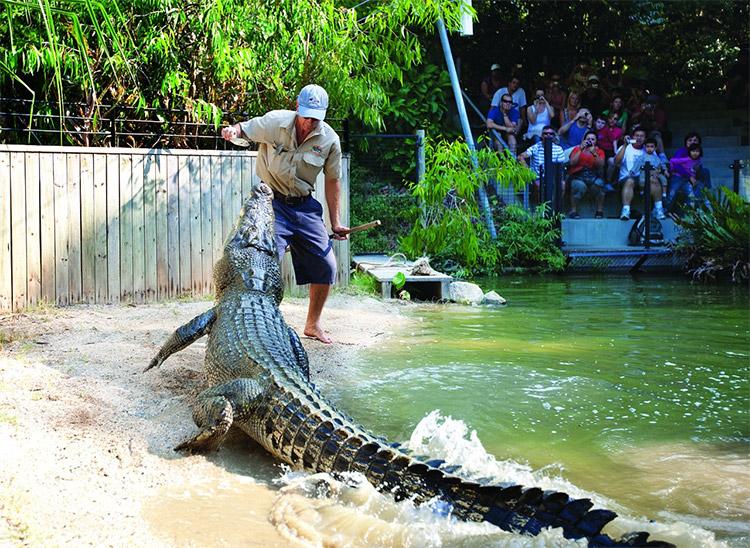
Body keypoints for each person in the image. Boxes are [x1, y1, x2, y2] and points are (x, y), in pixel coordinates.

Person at [221, 84, 348, 344]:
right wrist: (234, 130)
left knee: (326, 266)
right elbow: (245, 129)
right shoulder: (276, 121)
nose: (311, 123)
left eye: (317, 118)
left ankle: (313, 324)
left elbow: (333, 181)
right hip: (270, 203)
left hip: (304, 206)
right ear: (298, 108)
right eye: (307, 116)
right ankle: (258, 325)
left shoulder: (329, 140)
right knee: (263, 266)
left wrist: (335, 223)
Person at [614, 127, 662, 221]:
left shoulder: (648, 148)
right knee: (630, 181)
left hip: (645, 178)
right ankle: (626, 210)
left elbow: (658, 164)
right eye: (637, 136)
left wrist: (657, 171)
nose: (639, 138)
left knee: (654, 180)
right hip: (627, 177)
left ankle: (658, 209)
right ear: (633, 136)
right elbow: (616, 161)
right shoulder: (626, 148)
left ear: (645, 138)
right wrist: (624, 145)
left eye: (642, 136)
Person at [517, 125, 566, 204]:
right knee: (538, 185)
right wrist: (526, 167)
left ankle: (555, 207)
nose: (548, 135)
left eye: (551, 134)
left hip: (552, 177)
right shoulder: (535, 147)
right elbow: (520, 157)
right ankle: (540, 208)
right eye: (546, 133)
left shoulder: (558, 149)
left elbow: (560, 167)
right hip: (537, 177)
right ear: (542, 136)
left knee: (562, 184)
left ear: (554, 136)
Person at [566, 130, 606, 219]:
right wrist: (581, 149)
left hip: (593, 176)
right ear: (583, 140)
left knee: (600, 184)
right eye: (588, 139)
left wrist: (594, 153)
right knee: (579, 185)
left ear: (596, 141)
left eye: (592, 139)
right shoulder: (576, 149)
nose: (590, 141)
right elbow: (572, 162)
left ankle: (599, 210)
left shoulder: (599, 151)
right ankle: (573, 210)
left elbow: (600, 165)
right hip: (578, 175)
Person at [631, 137, 669, 219]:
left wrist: (664, 170)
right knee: (641, 180)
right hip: (645, 173)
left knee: (664, 180)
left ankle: (663, 196)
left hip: (655, 174)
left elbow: (661, 164)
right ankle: (642, 192)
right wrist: (632, 171)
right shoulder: (642, 157)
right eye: (648, 146)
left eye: (652, 147)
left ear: (655, 148)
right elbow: (637, 164)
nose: (649, 149)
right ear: (645, 147)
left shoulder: (656, 157)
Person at [668, 143, 708, 212]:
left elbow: (698, 169)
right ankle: (666, 210)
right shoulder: (686, 159)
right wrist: (671, 170)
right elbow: (672, 161)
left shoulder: (699, 160)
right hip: (679, 178)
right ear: (689, 152)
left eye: (697, 151)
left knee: (691, 195)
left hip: (688, 180)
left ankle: (690, 212)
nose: (695, 153)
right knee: (672, 194)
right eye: (693, 151)